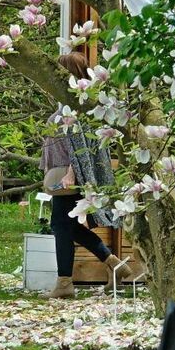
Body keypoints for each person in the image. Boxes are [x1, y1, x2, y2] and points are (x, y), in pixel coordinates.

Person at [42, 51, 132, 299]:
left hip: (71, 178)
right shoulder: (71, 102)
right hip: (67, 176)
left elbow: (80, 146)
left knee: (61, 225)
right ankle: (114, 263)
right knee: (68, 226)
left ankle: (64, 283)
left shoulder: (77, 106)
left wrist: (72, 173)